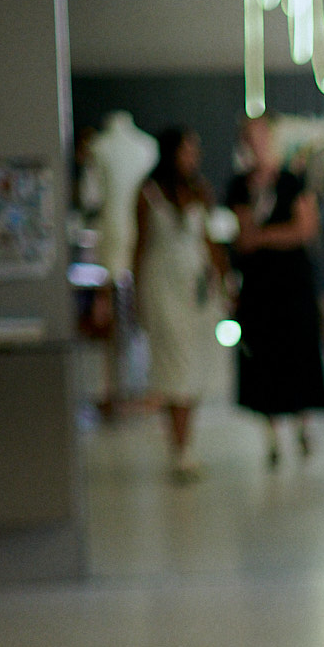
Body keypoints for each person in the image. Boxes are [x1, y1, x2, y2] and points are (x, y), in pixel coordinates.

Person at [226, 116, 324, 467]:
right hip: (260, 287)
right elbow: (245, 237)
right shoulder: (242, 186)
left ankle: (302, 423)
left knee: (297, 351)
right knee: (264, 356)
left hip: (292, 284)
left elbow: (305, 229)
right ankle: (272, 433)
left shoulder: (292, 180)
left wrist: (264, 236)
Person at [133, 127, 225, 481]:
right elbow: (140, 245)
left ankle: (185, 442)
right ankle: (180, 446)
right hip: (162, 286)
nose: (194, 157)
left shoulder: (200, 191)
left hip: (195, 286)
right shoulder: (148, 193)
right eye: (188, 150)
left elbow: (209, 239)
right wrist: (137, 294)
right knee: (174, 363)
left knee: (194, 363)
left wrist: (222, 278)